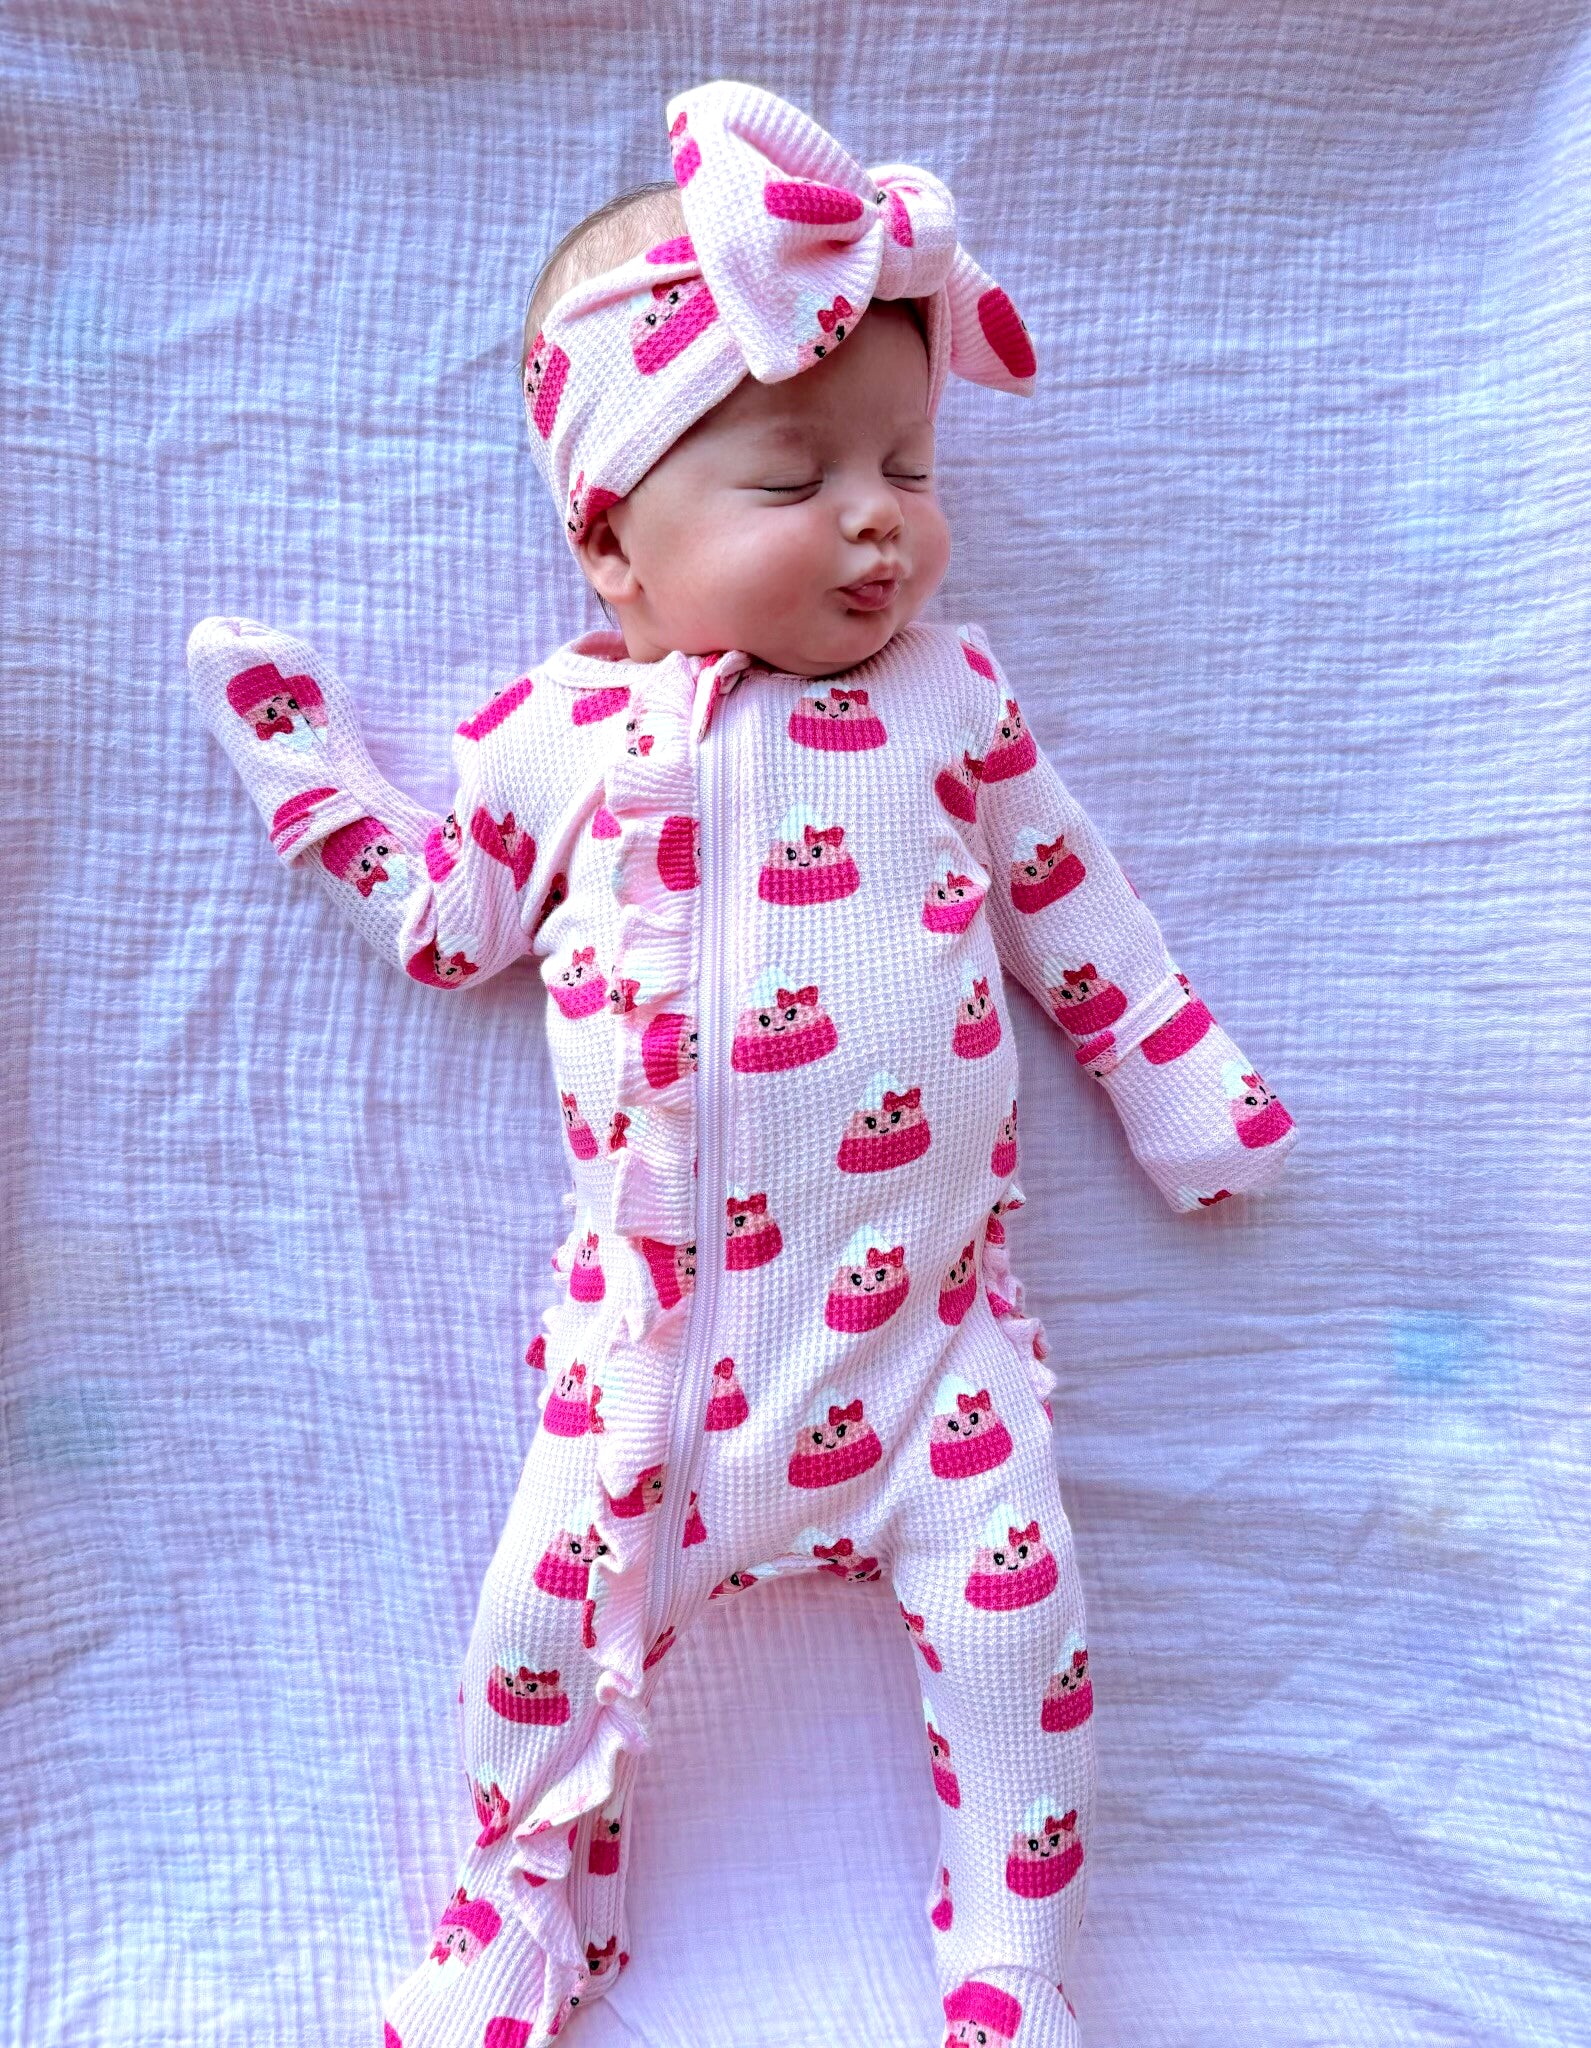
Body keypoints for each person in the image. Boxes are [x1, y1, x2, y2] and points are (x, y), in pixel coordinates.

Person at [186, 77, 1298, 2048]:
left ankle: (1009, 1971)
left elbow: (1069, 901)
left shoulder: (950, 697)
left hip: (934, 1349)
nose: (878, 519)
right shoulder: (556, 735)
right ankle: (532, 1905)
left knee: (1026, 1642)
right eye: (797, 479)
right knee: (530, 1635)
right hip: (662, 1370)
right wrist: (310, 771)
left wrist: (1174, 1072)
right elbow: (451, 927)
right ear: (613, 546)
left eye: (904, 460)